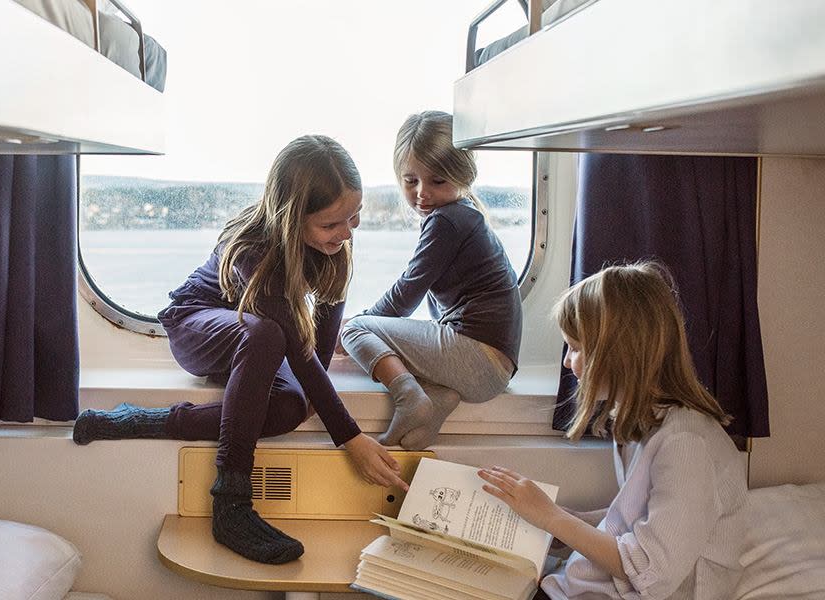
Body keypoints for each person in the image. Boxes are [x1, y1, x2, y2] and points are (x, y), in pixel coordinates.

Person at [72, 135, 409, 565]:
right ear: (292, 218)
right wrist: (350, 437)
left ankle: (140, 417)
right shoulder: (254, 248)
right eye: (332, 225)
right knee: (268, 333)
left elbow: (318, 346)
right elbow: (293, 345)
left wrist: (312, 402)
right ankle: (230, 501)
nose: (345, 234)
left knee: (290, 405)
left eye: (354, 219)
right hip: (197, 328)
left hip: (252, 342)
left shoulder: (334, 246)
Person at [478, 262, 747, 600]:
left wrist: (552, 517)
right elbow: (637, 519)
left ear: (617, 354)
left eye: (575, 348)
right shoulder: (643, 425)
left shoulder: (686, 445)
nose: (567, 362)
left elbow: (652, 569)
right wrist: (571, 522)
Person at [339, 111, 522, 450]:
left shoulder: (446, 222)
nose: (422, 193)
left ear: (461, 176)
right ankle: (437, 400)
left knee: (354, 329)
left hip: (478, 358)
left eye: (437, 181)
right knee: (392, 349)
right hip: (494, 369)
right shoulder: (464, 214)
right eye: (411, 181)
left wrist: (354, 328)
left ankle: (408, 394)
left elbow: (405, 295)